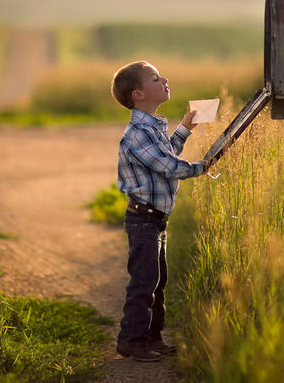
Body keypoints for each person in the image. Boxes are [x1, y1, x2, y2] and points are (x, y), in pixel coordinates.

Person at [110, 60, 208, 362]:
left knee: (157, 281)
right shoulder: (137, 134)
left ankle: (152, 337)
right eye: (155, 78)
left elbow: (166, 153)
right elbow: (168, 167)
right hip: (143, 220)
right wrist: (204, 167)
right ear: (138, 95)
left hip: (154, 219)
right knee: (144, 281)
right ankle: (131, 340)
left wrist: (184, 130)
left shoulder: (152, 126)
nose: (164, 79)